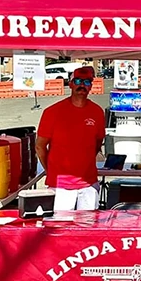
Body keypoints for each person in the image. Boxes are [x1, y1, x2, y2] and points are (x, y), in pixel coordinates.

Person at [35, 65, 105, 210]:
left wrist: (83, 162)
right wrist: (51, 171)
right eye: (78, 81)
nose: (82, 85)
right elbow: (40, 146)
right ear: (71, 84)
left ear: (91, 86)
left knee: (87, 228)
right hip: (61, 186)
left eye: (87, 82)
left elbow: (98, 142)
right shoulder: (52, 112)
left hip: (88, 183)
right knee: (60, 228)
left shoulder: (97, 112)